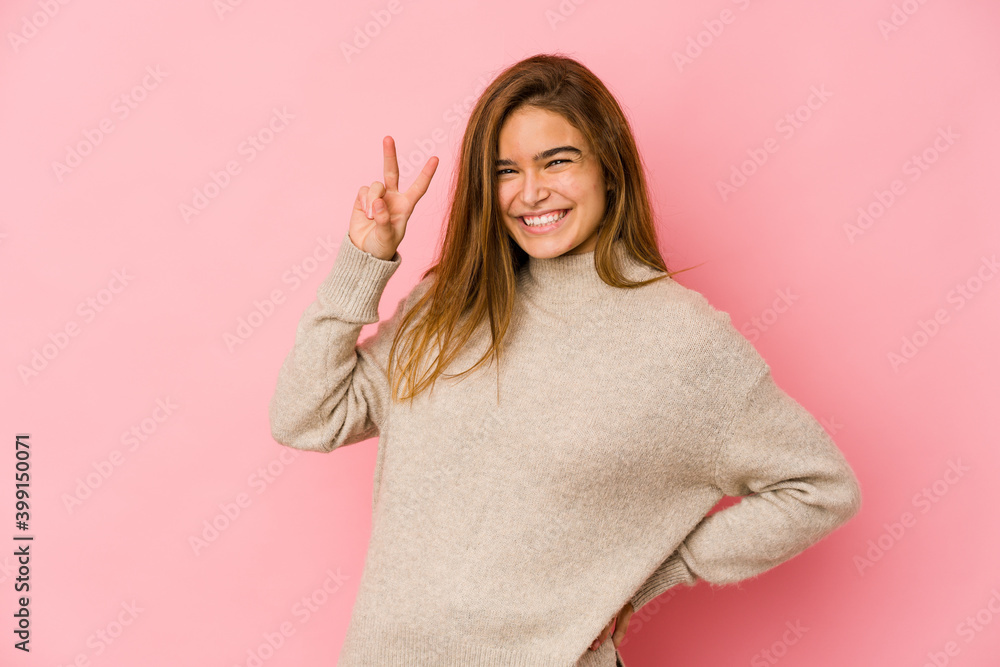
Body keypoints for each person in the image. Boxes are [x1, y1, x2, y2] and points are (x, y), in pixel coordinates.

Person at [268, 53, 862, 667]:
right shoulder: (450, 305)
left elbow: (819, 487)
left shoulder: (683, 342)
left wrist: (659, 571)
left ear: (609, 169)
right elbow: (306, 418)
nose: (531, 192)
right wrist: (362, 262)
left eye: (557, 161)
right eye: (507, 170)